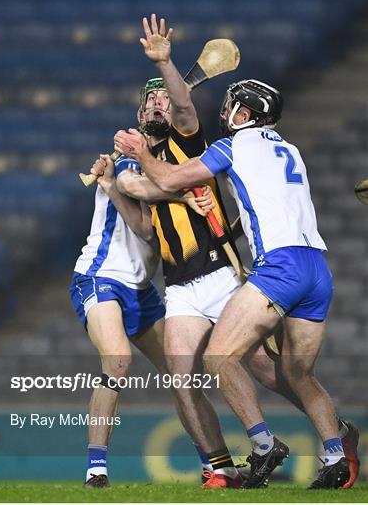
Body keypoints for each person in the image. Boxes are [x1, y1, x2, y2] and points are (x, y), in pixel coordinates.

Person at [113, 76, 359, 489]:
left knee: (236, 363)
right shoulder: (288, 149)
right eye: (150, 101)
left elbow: (171, 175)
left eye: (231, 106)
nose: (224, 113)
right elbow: (259, 207)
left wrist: (146, 151)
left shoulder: (215, 144)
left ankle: (267, 445)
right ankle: (319, 454)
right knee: (292, 372)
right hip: (307, 266)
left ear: (244, 115)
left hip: (260, 271)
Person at [69, 137, 220, 488]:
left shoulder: (169, 169)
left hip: (141, 289)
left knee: (182, 375)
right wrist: (180, 193)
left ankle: (214, 464)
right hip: (99, 275)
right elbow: (138, 207)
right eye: (150, 103)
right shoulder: (126, 165)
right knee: (118, 361)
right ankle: (96, 470)